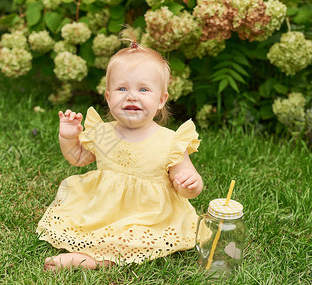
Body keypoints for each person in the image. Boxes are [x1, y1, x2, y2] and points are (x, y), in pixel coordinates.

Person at [37, 33, 203, 271]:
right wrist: (68, 137)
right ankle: (95, 251)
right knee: (95, 229)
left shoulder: (170, 142)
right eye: (122, 88)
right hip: (104, 210)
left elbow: (187, 183)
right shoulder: (105, 133)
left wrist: (191, 184)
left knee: (133, 240)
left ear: (161, 100)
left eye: (143, 89)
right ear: (108, 96)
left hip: (148, 216)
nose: (131, 96)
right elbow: (78, 158)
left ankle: (89, 261)